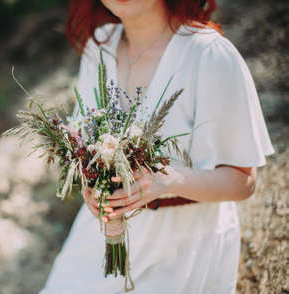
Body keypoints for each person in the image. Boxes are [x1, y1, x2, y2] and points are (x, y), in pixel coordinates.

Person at [39, 0, 275, 293]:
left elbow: (243, 182)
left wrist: (166, 181)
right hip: (98, 240)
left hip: (181, 247)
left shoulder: (209, 54)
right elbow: (83, 144)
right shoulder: (98, 48)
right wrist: (91, 186)